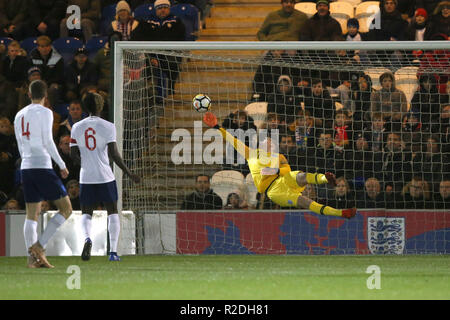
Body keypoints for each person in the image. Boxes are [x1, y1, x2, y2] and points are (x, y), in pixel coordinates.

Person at [202, 111, 357, 219]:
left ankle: (325, 178)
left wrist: (274, 169)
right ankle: (340, 213)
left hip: (284, 180)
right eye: (265, 142)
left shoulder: (279, 157)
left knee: (300, 175)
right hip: (274, 191)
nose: (268, 143)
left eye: (270, 142)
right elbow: (233, 140)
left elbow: (286, 170)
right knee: (305, 202)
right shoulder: (252, 154)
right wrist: (217, 127)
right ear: (260, 145)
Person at [70, 92, 140, 262]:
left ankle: (87, 239)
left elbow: (73, 155)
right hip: (105, 176)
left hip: (86, 176)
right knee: (112, 212)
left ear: (85, 108)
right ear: (101, 106)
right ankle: (113, 252)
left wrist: (86, 164)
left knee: (86, 212)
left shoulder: (77, 127)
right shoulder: (108, 126)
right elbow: (114, 154)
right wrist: (129, 173)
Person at [13, 79, 73, 269]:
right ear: (45, 97)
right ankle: (39, 247)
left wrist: (27, 163)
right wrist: (62, 164)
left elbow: (20, 145)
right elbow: (48, 141)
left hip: (27, 167)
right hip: (42, 166)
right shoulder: (46, 112)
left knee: (32, 215)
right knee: (66, 209)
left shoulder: (18, 115)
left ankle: (32, 258)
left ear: (29, 95)